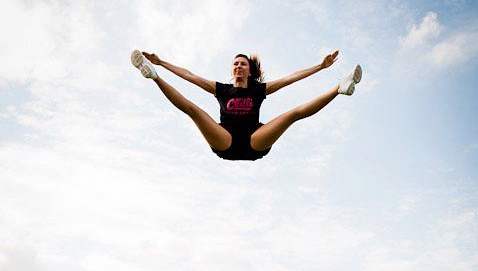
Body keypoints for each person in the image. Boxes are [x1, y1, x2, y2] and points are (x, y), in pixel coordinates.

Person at [130, 49, 362, 162]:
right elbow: (189, 75)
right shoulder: (221, 88)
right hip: (225, 140)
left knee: (293, 114)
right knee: (194, 111)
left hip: (255, 140)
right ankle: (154, 76)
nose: (239, 66)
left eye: (243, 64)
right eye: (235, 64)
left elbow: (291, 77)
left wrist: (320, 67)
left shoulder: (259, 89)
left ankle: (339, 88)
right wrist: (161, 62)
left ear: (249, 70)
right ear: (232, 70)